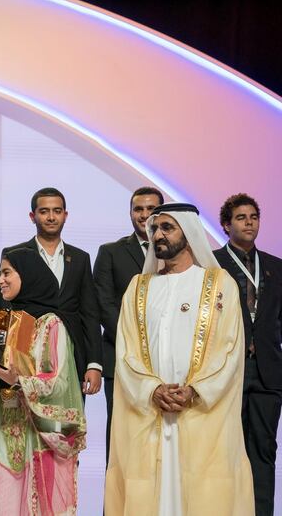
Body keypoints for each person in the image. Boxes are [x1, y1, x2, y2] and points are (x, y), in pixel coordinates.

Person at [105, 203, 254, 515]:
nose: (158, 234)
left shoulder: (219, 284)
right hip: (151, 410)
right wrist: (152, 390)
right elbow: (126, 351)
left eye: (167, 228)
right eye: (155, 229)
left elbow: (230, 350)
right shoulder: (138, 288)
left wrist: (194, 390)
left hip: (200, 412)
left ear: (189, 232)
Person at [0, 248, 86, 516]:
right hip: (5, 429)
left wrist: (19, 381)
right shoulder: (9, 322)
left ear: (29, 275)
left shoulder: (51, 324)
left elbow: (60, 382)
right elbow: (6, 375)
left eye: (6, 273)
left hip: (38, 437)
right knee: (0, 503)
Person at [213, 193, 282, 516]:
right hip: (228, 371)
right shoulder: (211, 265)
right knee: (227, 449)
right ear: (226, 225)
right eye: (241, 217)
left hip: (268, 370)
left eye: (253, 217)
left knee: (265, 450)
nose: (249, 222)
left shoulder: (274, 266)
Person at [2, 188, 102, 397]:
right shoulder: (15, 254)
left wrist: (94, 364)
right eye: (44, 211)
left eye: (57, 211)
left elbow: (90, 313)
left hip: (71, 353)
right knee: (26, 419)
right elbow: (5, 306)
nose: (51, 217)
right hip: (26, 350)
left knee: (66, 422)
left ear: (65, 215)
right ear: (33, 216)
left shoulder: (80, 258)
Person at [92, 186, 163, 463]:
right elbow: (103, 303)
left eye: (151, 210)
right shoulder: (111, 252)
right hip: (120, 357)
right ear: (130, 213)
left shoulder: (178, 252)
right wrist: (134, 341)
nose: (144, 215)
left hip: (168, 361)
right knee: (121, 437)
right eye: (138, 209)